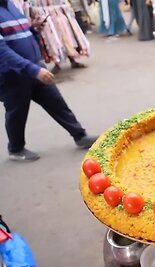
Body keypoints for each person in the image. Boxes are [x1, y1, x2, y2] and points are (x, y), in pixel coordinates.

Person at [0, 0, 97, 161]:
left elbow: (20, 35)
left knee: (56, 102)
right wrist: (34, 70)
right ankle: (15, 149)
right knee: (17, 112)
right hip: (13, 75)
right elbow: (2, 52)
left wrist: (34, 29)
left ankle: (80, 135)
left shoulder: (11, 6)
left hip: (34, 67)